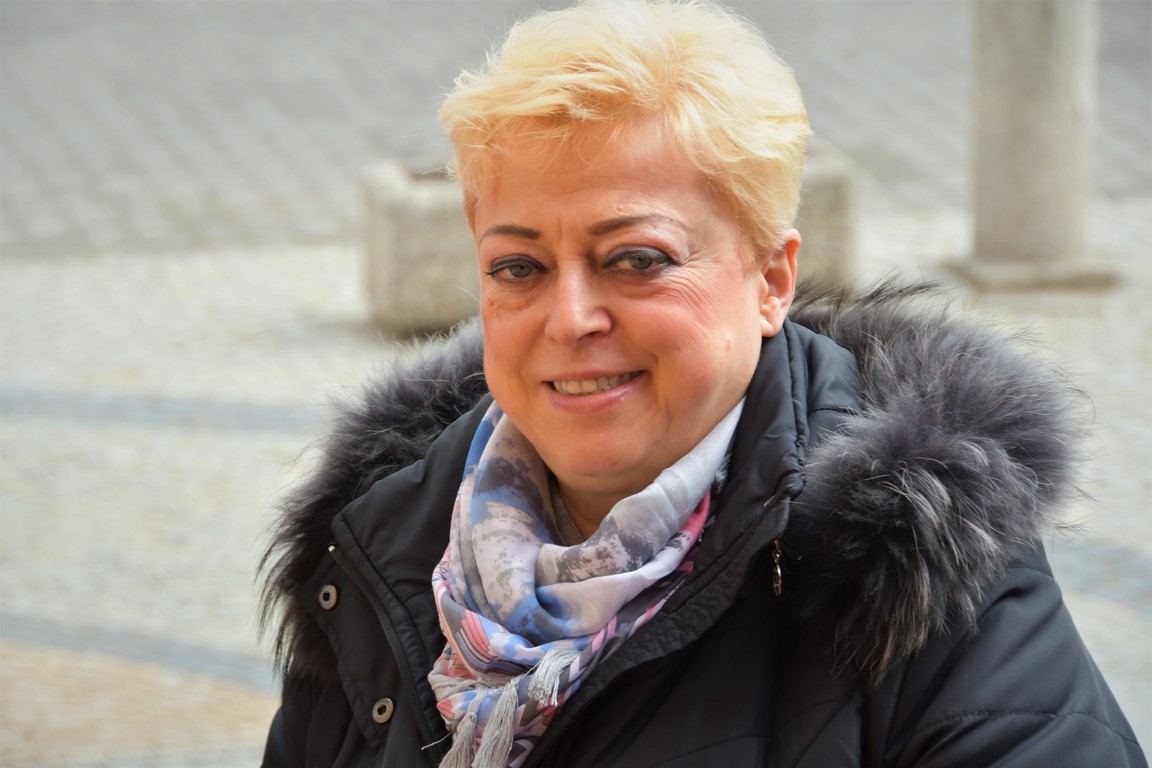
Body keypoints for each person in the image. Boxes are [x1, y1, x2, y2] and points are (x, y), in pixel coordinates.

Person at [258, 1, 1146, 766]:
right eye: (519, 267)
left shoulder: (922, 591)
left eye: (636, 259)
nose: (569, 319)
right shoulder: (382, 548)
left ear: (771, 280)